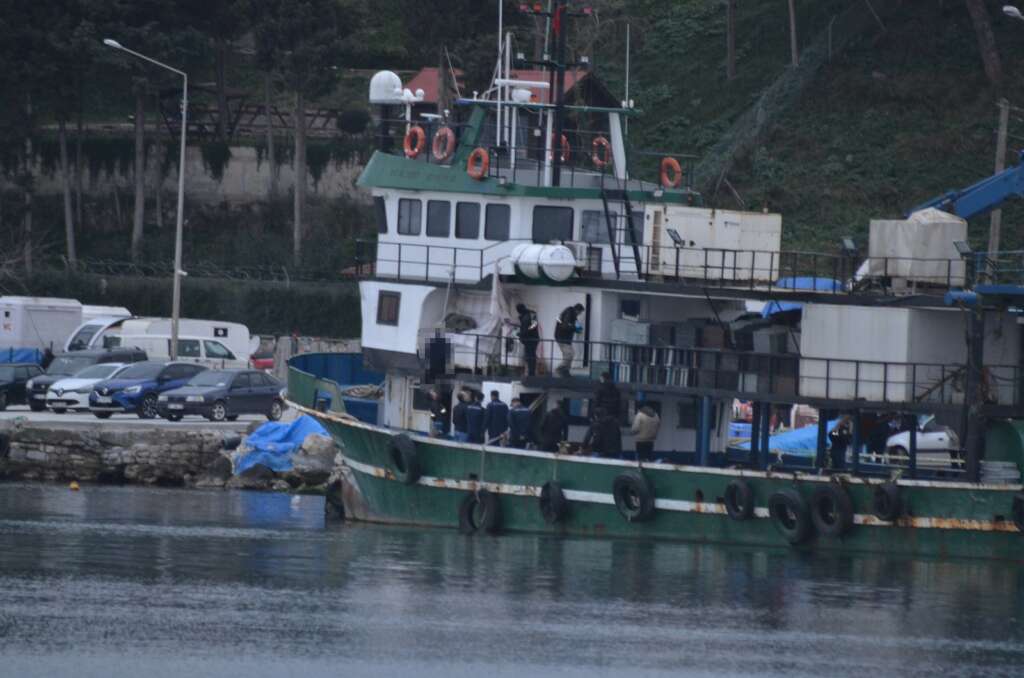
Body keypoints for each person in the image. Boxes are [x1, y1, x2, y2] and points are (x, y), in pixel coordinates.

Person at [554, 303, 584, 377]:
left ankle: (565, 372)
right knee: (570, 354)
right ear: (577, 310)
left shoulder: (572, 315)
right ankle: (559, 369)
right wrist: (575, 328)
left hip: (564, 338)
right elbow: (565, 326)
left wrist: (578, 329)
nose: (580, 314)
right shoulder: (569, 313)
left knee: (567, 355)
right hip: (562, 338)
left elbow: (576, 326)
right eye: (580, 312)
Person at [516, 303, 540, 377]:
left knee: (530, 356)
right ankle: (531, 372)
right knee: (530, 356)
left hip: (530, 339)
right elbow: (532, 326)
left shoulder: (526, 316)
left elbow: (530, 327)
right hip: (532, 338)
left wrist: (522, 333)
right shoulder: (530, 314)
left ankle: (531, 373)